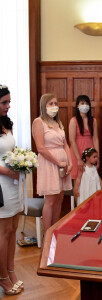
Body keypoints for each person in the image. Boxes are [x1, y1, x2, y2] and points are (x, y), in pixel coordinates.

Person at [32, 93, 72, 232]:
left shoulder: (58, 123)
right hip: (49, 163)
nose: (54, 107)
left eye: (56, 103)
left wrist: (70, 162)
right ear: (44, 106)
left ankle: (55, 229)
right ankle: (47, 233)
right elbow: (41, 148)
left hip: (62, 163)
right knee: (50, 200)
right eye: (51, 104)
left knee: (60, 197)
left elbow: (65, 144)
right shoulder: (39, 122)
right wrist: (58, 162)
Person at [0, 85, 23, 295]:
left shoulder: (7, 123)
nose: (8, 106)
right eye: (4, 102)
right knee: (4, 232)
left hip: (13, 182)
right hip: (1, 184)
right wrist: (8, 172)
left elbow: (11, 151)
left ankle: (11, 270)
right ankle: (3, 277)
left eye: (9, 102)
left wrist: (22, 162)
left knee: (13, 229)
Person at [69, 95, 99, 181]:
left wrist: (97, 156)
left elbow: (95, 139)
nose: (84, 105)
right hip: (77, 151)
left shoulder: (93, 120)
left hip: (90, 151)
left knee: (90, 179)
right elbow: (72, 140)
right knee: (78, 179)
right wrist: (79, 159)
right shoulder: (73, 120)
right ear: (77, 106)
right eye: (82, 103)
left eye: (86, 103)